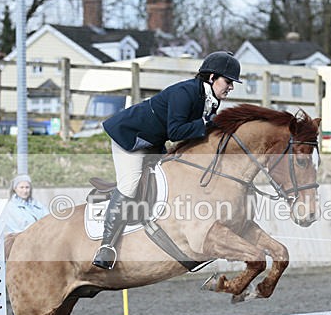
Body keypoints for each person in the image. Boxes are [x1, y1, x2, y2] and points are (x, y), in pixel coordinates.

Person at [92, 51, 242, 269]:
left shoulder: (210, 99)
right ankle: (106, 247)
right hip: (130, 137)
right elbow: (176, 131)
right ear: (212, 78)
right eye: (228, 81)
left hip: (154, 142)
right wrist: (208, 123)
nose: (231, 87)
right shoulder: (185, 92)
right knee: (130, 183)